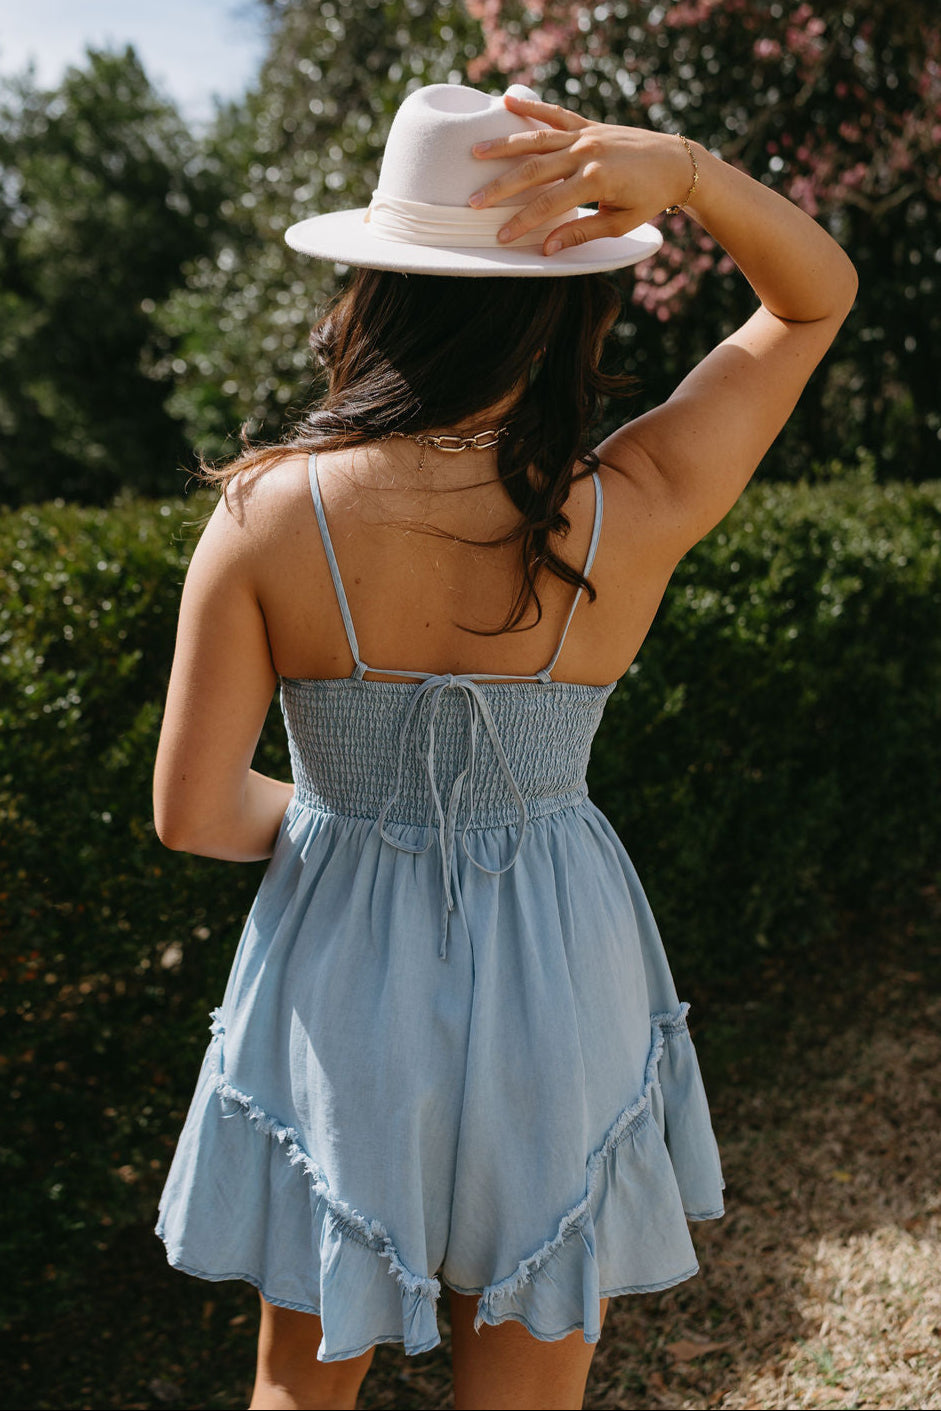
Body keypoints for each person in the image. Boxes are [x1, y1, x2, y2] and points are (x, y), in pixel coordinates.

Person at [153, 84, 857, 1411]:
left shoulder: (262, 517)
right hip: (561, 965)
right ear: (571, 304)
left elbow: (192, 813)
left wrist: (347, 829)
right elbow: (811, 297)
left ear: (376, 289)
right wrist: (691, 174)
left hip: (336, 971)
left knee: (300, 1390)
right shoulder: (633, 502)